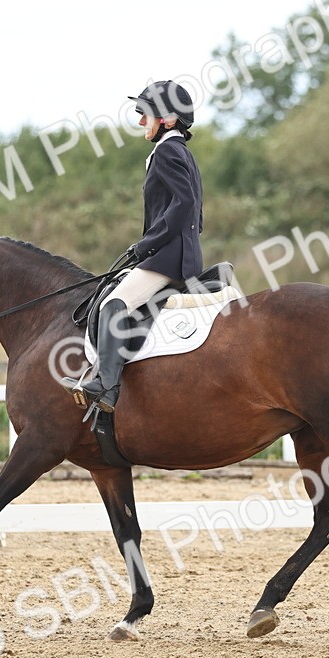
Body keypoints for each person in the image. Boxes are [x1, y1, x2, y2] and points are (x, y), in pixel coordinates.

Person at [75, 79, 204, 413]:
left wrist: (148, 244)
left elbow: (185, 203)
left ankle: (106, 385)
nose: (140, 120)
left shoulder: (167, 151)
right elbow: (195, 212)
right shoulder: (182, 152)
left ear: (169, 120)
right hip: (178, 253)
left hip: (168, 258)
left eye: (146, 114)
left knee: (113, 304)